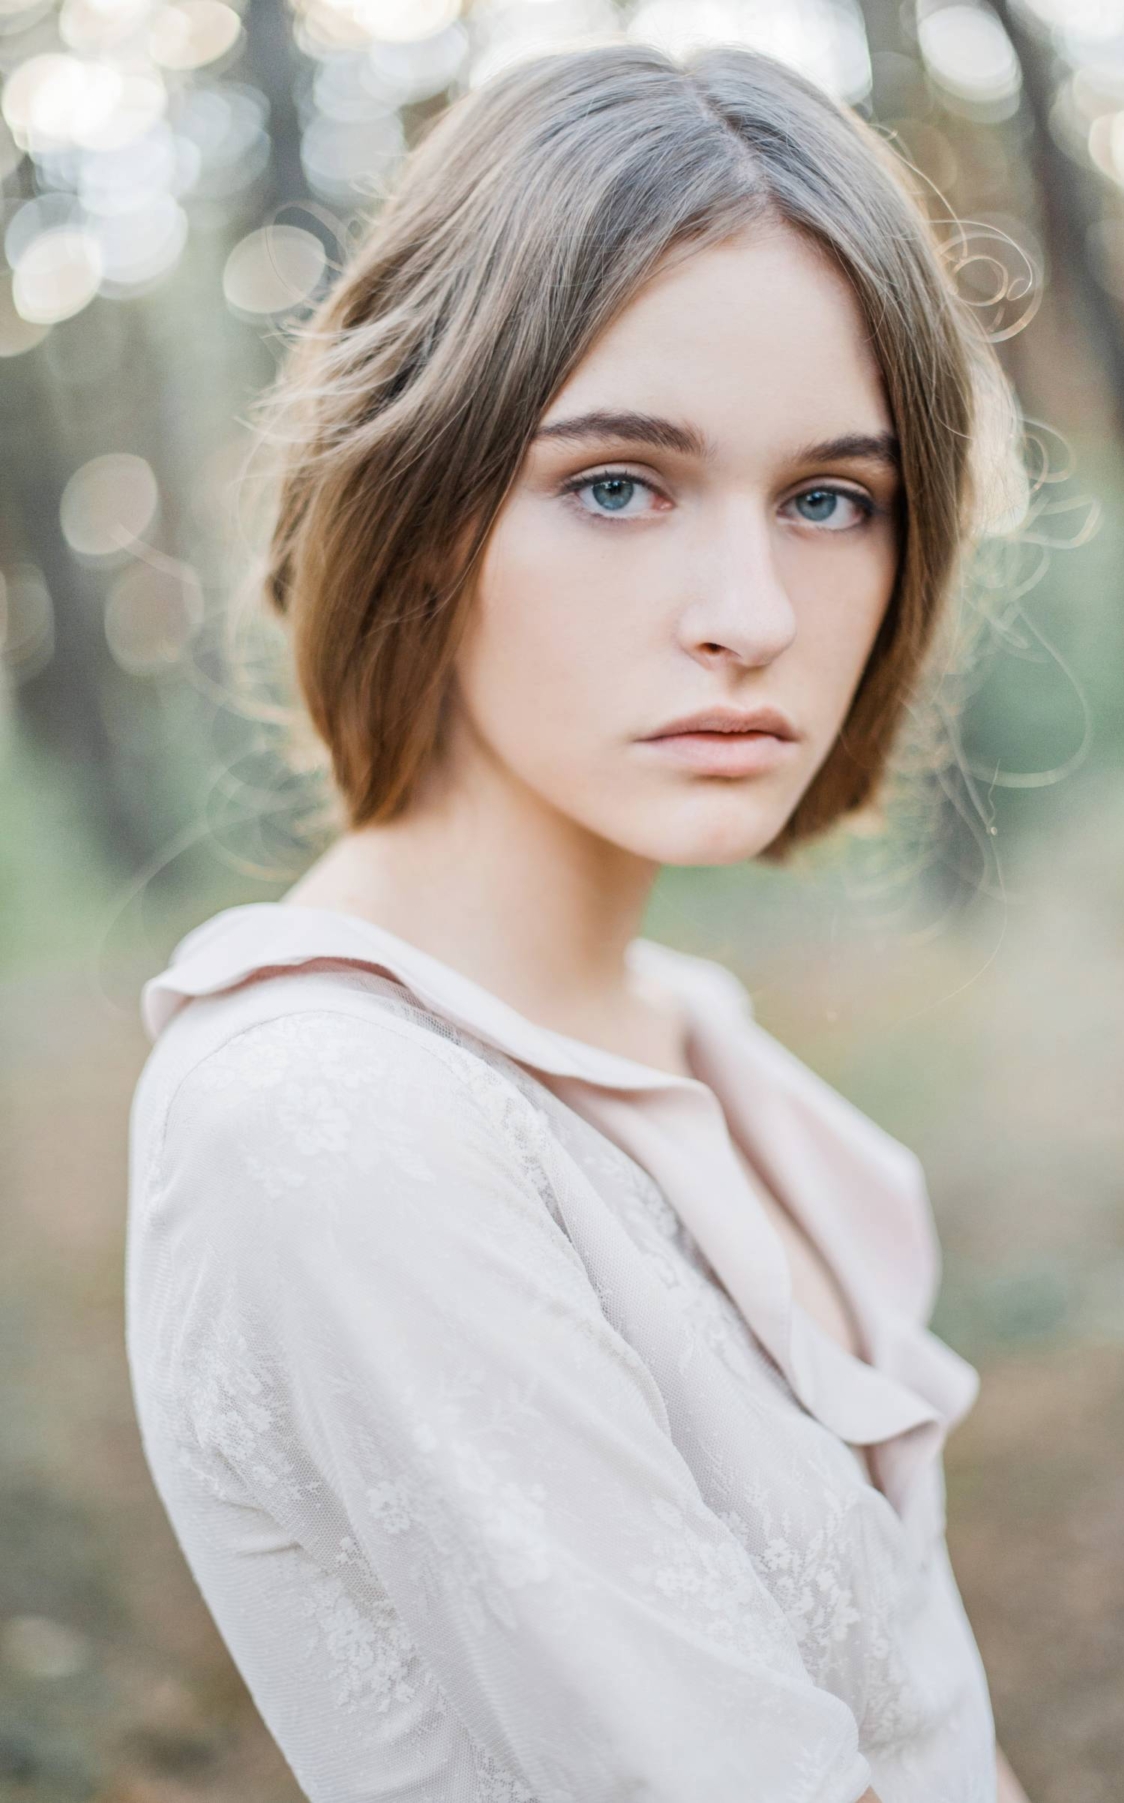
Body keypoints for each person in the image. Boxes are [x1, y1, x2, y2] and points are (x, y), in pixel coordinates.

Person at [126, 39, 1034, 1803]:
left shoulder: (684, 1028)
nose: (752, 613)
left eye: (831, 499)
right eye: (618, 482)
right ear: (415, 510)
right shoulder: (338, 1114)